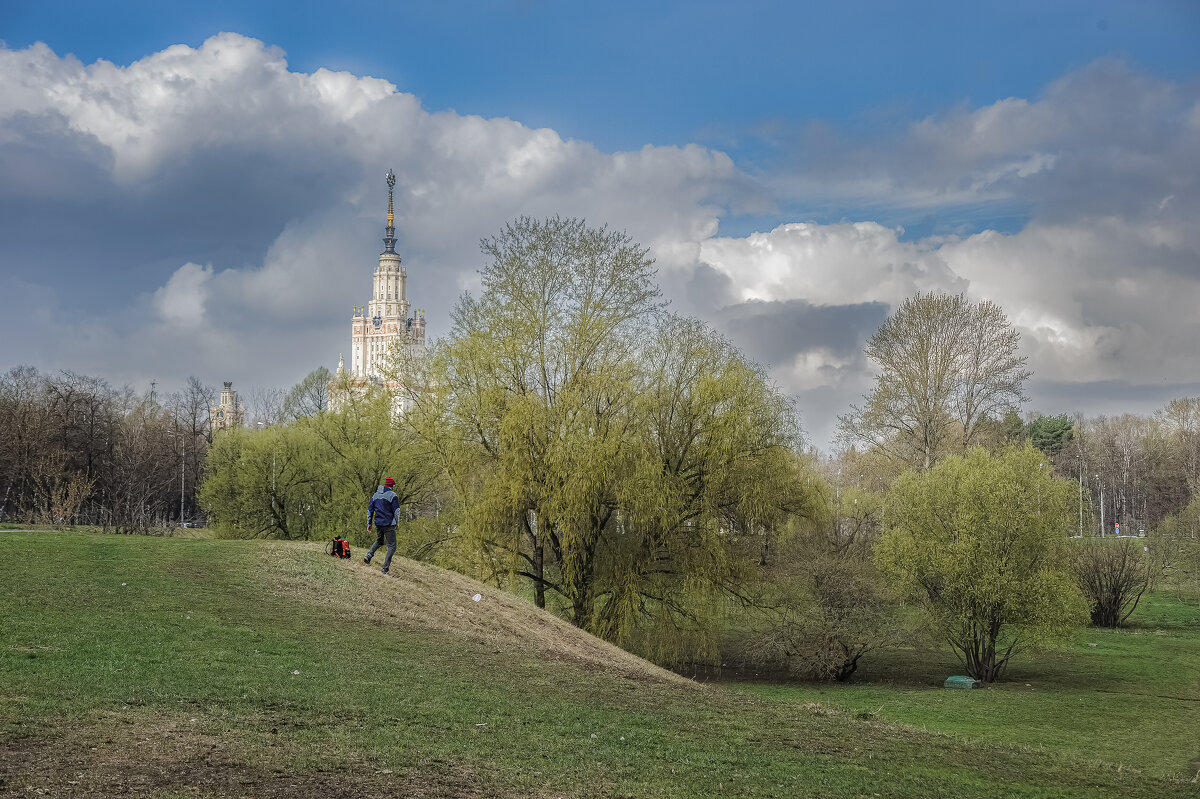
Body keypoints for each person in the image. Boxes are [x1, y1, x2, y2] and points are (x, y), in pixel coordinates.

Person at [364, 476, 400, 574]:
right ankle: (385, 569)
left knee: (380, 541)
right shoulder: (393, 495)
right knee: (392, 545)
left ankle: (369, 555)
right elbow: (396, 511)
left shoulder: (375, 495)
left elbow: (369, 510)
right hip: (389, 524)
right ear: (392, 485)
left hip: (378, 523)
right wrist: (397, 521)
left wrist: (369, 523)